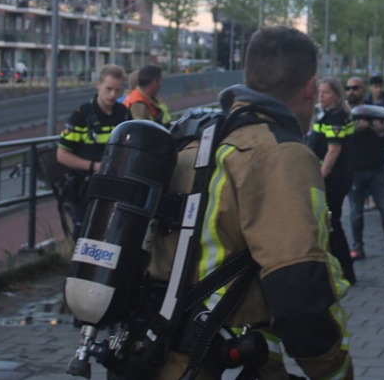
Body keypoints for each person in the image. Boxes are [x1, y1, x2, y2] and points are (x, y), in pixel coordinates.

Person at [150, 26, 353, 379]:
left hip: (154, 355)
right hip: (220, 364)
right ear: (310, 88)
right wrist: (335, 371)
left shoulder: (196, 141)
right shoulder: (281, 154)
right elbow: (299, 289)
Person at [56, 64, 130, 236]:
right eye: (108, 89)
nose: (112, 95)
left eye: (117, 90)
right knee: (85, 235)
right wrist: (94, 166)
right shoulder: (81, 116)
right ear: (98, 85)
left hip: (115, 187)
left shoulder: (124, 113)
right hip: (86, 190)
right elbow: (62, 155)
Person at [346, 76, 384, 260]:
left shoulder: (376, 112)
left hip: (376, 168)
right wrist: (353, 131)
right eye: (348, 88)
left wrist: (381, 132)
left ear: (363, 90)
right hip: (353, 169)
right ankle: (357, 247)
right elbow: (336, 142)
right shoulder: (343, 113)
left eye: (355, 88)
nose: (351, 92)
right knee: (356, 212)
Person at [307, 76, 356, 284]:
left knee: (331, 223)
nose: (321, 96)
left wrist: (319, 177)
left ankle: (343, 268)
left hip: (333, 180)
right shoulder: (332, 114)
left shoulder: (335, 118)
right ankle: (340, 268)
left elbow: (333, 151)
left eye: (326, 92)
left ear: (336, 95)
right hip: (338, 177)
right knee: (330, 222)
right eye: (320, 92)